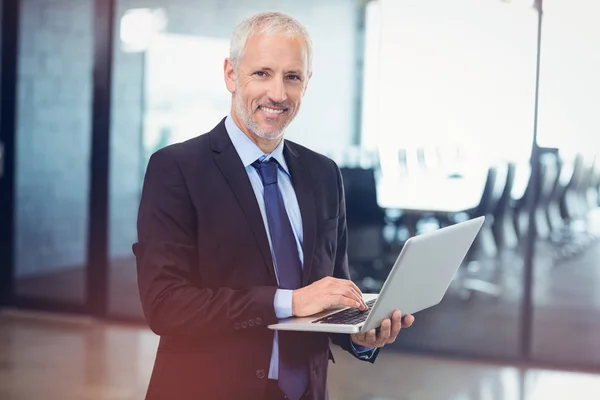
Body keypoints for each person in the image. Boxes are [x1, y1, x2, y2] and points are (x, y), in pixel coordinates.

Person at [133, 11, 414, 400]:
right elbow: (166, 305)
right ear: (231, 74)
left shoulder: (324, 174)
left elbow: (331, 290)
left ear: (307, 83)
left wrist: (361, 334)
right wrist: (290, 301)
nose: (278, 94)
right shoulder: (176, 168)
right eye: (262, 73)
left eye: (292, 77)